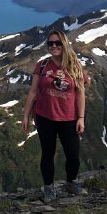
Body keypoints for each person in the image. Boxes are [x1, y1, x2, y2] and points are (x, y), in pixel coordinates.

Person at [22, 29, 87, 202]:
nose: (54, 46)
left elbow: (80, 93)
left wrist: (81, 118)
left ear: (64, 44)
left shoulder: (75, 66)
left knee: (73, 154)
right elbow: (33, 92)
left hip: (69, 118)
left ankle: (71, 182)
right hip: (45, 117)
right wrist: (26, 115)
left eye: (57, 43)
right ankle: (49, 187)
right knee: (47, 153)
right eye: (50, 43)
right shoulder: (42, 65)